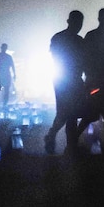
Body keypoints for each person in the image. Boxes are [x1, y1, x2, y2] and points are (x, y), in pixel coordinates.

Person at [75, 8, 104, 152]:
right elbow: (87, 58)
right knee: (94, 113)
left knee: (103, 114)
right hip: (98, 79)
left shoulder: (100, 36)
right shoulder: (96, 36)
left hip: (102, 79)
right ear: (101, 19)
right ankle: (75, 137)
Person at [44, 10, 85, 155]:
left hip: (66, 79)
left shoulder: (59, 38)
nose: (79, 26)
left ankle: (60, 139)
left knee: (68, 113)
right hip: (66, 79)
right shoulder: (75, 40)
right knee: (67, 112)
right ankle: (68, 143)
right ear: (70, 22)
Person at [0, 43, 16, 107]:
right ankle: (3, 104)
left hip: (1, 75)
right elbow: (13, 66)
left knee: (4, 90)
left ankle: (3, 104)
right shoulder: (7, 57)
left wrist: (14, 74)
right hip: (3, 75)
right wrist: (14, 75)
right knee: (5, 90)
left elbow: (12, 66)